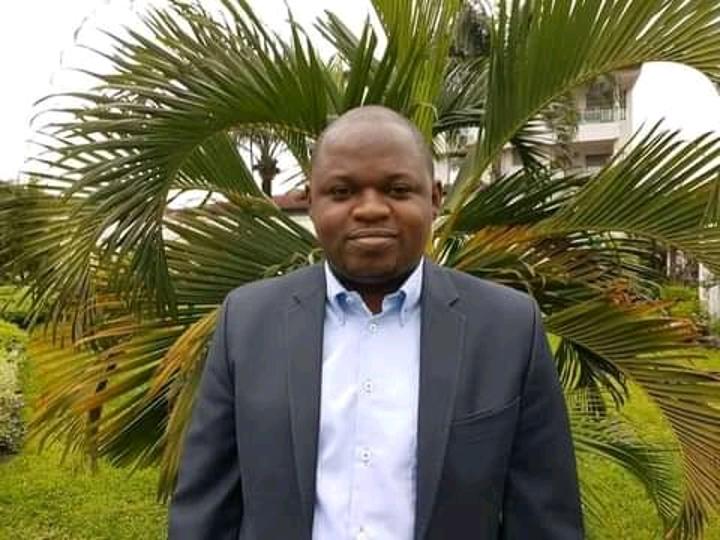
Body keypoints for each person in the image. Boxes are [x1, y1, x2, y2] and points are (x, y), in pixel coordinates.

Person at [168, 106, 584, 539]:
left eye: (397, 189)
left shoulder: (508, 329)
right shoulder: (247, 323)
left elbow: (544, 519)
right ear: (310, 201)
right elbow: (205, 512)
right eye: (342, 191)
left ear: (434, 199)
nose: (370, 209)